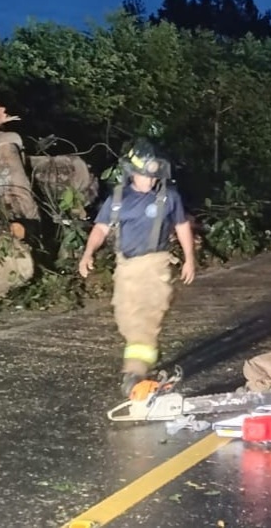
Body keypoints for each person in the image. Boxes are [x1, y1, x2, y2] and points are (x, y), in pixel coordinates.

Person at [78, 139, 197, 396]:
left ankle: (135, 375)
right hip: (126, 267)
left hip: (155, 266)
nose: (150, 180)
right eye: (145, 175)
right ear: (132, 172)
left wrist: (189, 258)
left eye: (154, 176)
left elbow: (182, 227)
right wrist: (88, 253)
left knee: (144, 319)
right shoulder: (118, 198)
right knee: (126, 319)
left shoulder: (169, 197)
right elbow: (101, 227)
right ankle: (144, 359)